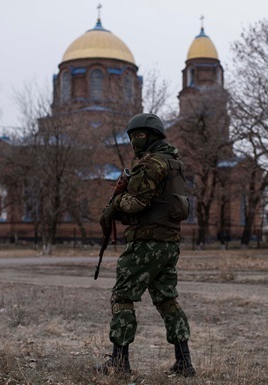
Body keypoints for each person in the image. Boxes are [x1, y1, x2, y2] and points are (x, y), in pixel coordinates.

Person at [96, 112, 195, 377]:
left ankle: (119, 363)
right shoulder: (175, 163)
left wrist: (116, 203)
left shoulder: (151, 163)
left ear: (152, 137)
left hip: (146, 244)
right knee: (167, 300)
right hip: (169, 244)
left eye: (139, 135)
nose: (134, 141)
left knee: (122, 297)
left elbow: (134, 203)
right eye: (131, 136)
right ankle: (185, 363)